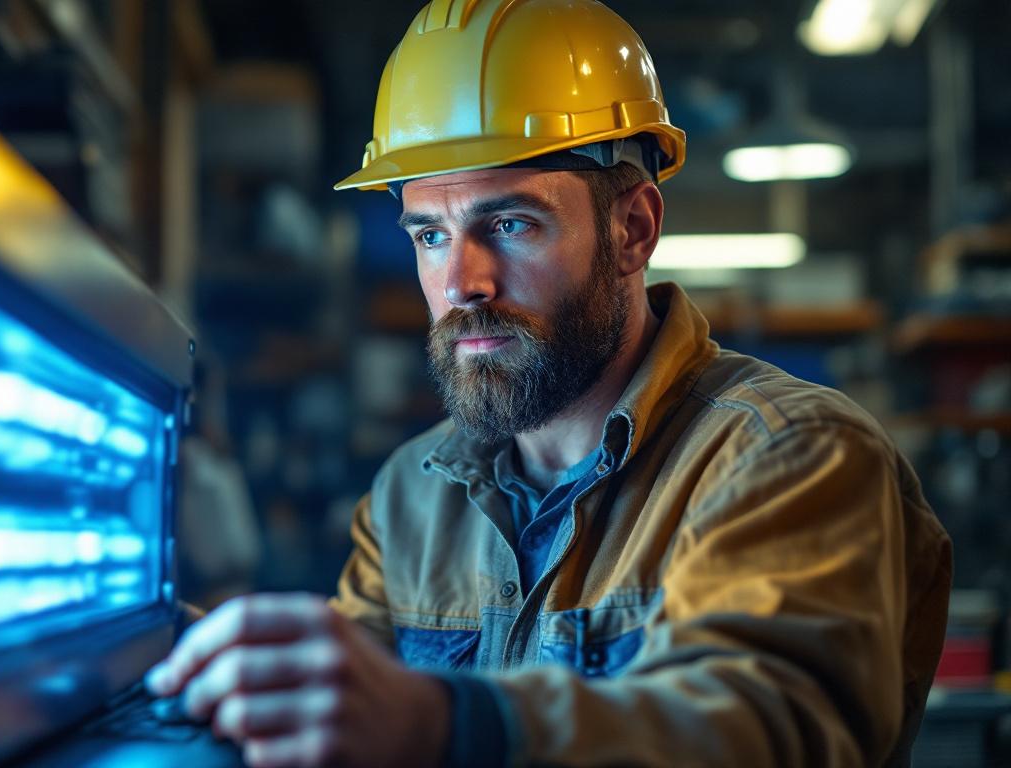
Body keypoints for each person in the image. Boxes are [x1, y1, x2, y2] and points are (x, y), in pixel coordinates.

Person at [144, 1, 953, 766]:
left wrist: (449, 724)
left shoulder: (788, 455)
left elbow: (772, 725)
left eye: (509, 224)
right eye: (430, 234)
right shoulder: (410, 497)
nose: (463, 280)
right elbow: (349, 710)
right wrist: (212, 673)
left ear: (633, 228)